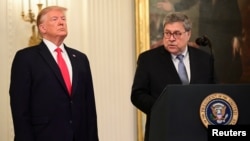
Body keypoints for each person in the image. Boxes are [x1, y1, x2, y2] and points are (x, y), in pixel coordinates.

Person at [9, 6, 99, 141]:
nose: (62, 22)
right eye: (55, 19)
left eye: (63, 19)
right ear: (42, 28)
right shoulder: (26, 58)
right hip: (43, 135)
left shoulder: (80, 58)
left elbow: (89, 107)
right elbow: (20, 107)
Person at [131, 12, 217, 141]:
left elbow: (214, 91)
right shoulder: (148, 59)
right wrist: (162, 108)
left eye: (177, 33)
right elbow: (137, 94)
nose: (171, 38)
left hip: (198, 130)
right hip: (164, 130)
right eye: (167, 33)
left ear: (188, 34)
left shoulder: (204, 59)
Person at [153, 0, 243, 83]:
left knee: (225, 70)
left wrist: (236, 36)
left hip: (224, 39)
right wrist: (174, 7)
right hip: (206, 39)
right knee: (206, 70)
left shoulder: (230, 1)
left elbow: (236, 16)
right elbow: (190, 1)